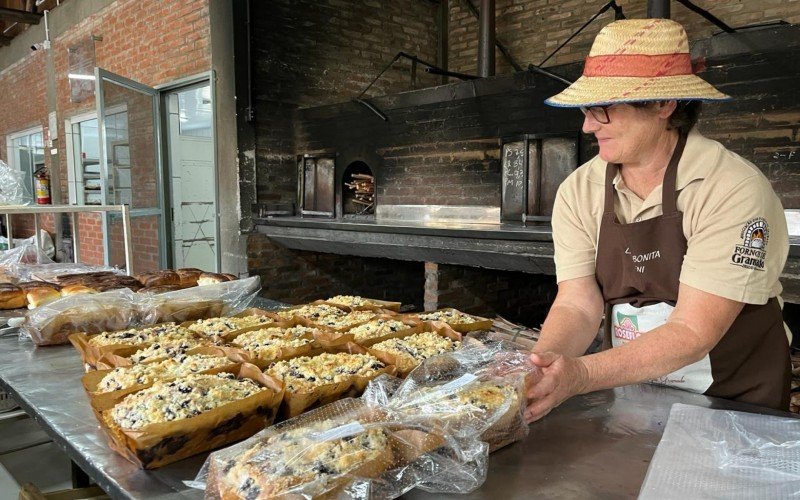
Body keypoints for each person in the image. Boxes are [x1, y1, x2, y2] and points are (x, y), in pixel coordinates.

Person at [525, 18, 792, 422]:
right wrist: (543, 366)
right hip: (637, 394)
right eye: (586, 108)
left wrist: (579, 375)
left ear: (664, 104)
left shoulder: (731, 188)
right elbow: (578, 303)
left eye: (602, 108)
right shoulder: (580, 190)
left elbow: (691, 331)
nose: (587, 125)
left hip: (733, 404)